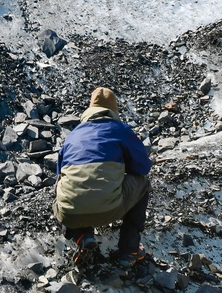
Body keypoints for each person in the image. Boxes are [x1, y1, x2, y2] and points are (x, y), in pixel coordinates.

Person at [53, 87, 151, 267]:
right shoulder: (121, 130)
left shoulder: (73, 136)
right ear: (113, 111)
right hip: (109, 209)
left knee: (63, 185)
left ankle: (81, 235)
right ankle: (130, 250)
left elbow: (59, 176)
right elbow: (142, 168)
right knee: (143, 184)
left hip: (69, 214)